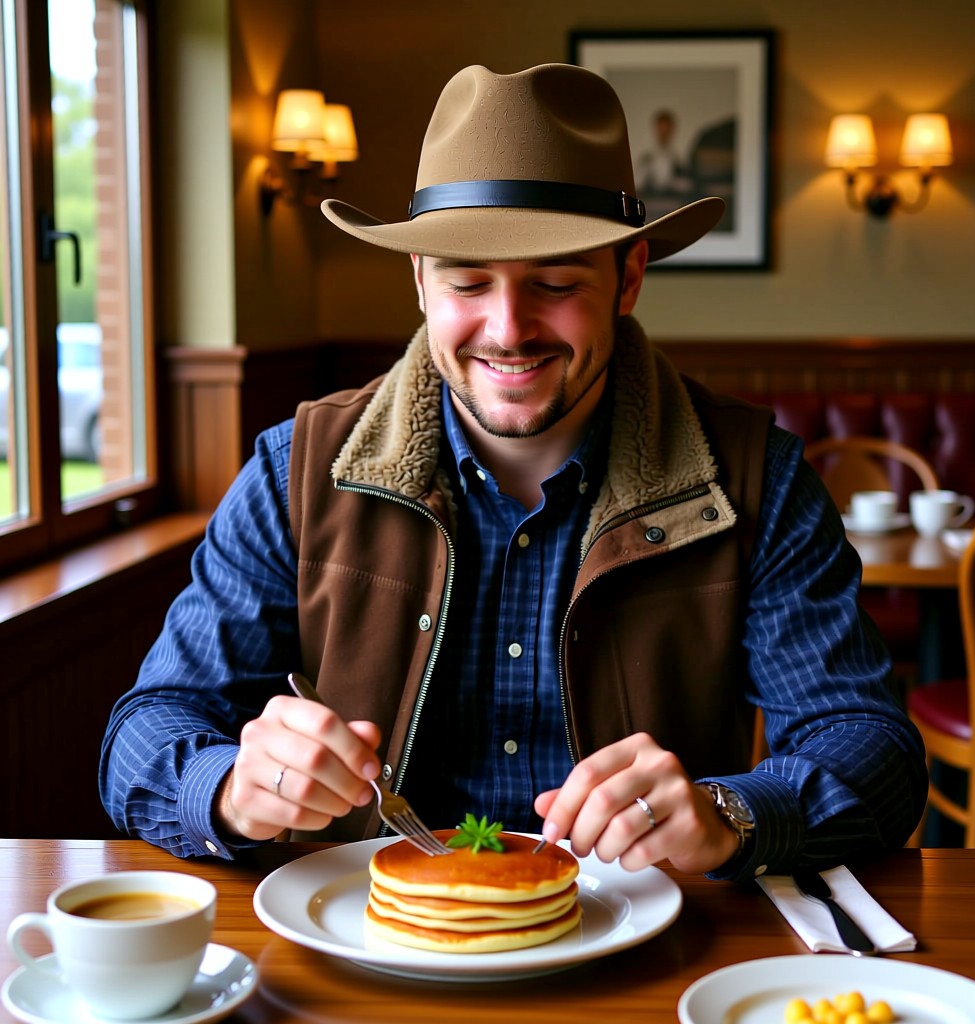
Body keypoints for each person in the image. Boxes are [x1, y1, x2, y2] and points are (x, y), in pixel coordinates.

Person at [100, 63, 927, 882]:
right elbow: (148, 727)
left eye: (557, 284)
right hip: (363, 948)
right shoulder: (295, 470)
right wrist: (230, 793)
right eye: (467, 283)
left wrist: (731, 812)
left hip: (648, 962)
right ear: (420, 282)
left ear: (628, 278)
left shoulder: (755, 477)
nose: (508, 329)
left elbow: (872, 747)